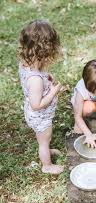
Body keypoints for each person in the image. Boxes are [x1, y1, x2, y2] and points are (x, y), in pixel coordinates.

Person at [18, 20, 66, 174]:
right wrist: (53, 92)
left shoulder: (27, 63)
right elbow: (36, 104)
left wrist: (47, 76)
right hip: (40, 116)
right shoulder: (36, 80)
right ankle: (47, 165)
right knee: (44, 140)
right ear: (43, 52)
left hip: (36, 115)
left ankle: (46, 148)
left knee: (43, 139)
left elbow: (38, 75)